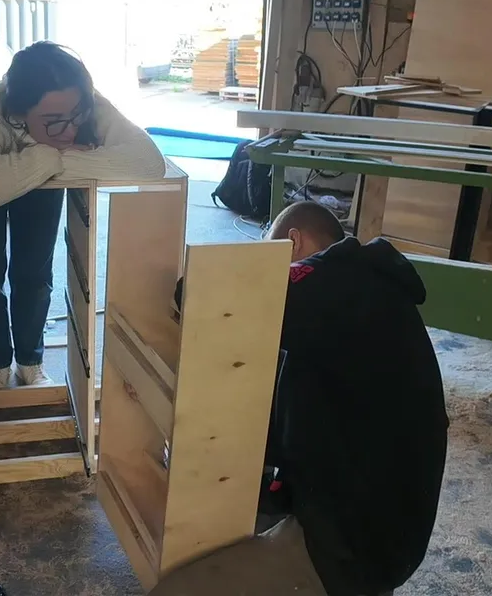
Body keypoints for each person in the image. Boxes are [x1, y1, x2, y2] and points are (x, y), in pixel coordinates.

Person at [154, 201, 448, 596]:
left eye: (269, 253)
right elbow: (291, 424)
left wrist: (192, 289)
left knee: (175, 589)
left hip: (346, 552)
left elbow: (220, 299)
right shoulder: (357, 306)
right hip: (380, 530)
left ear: (293, 243)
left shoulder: (337, 280)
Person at [0, 42, 166, 391]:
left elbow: (148, 162)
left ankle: (30, 362)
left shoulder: (80, 100)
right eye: (53, 123)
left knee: (34, 273)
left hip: (39, 178)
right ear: (20, 114)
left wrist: (54, 158)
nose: (69, 131)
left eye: (76, 116)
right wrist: (52, 156)